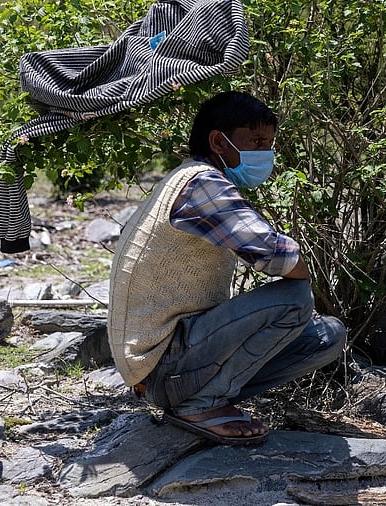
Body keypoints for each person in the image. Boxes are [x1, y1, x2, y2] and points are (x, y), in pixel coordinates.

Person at [108, 91, 346, 445]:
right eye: (256, 141)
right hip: (161, 364)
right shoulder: (202, 182)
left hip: (165, 365)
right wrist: (303, 272)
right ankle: (201, 404)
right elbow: (276, 256)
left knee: (328, 336)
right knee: (295, 299)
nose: (265, 153)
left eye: (269, 144)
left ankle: (203, 397)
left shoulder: (187, 177)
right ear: (219, 141)